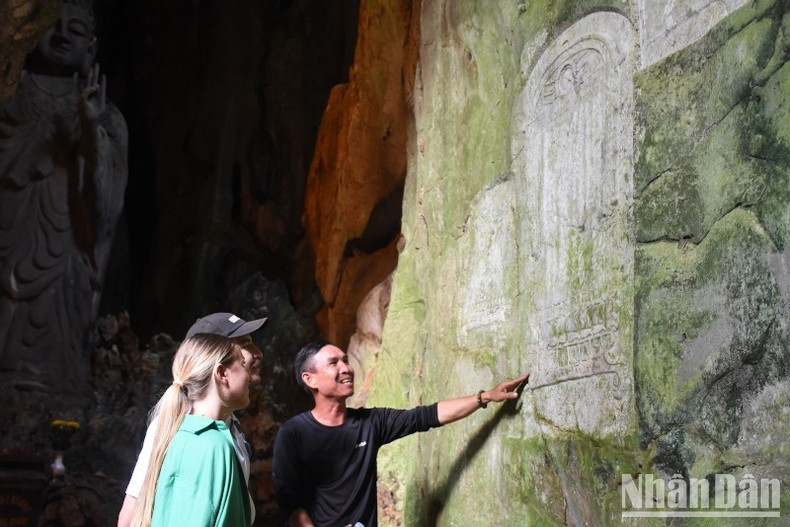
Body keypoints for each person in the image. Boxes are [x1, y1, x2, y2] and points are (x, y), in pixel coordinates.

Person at [0, 0, 128, 391]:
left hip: (67, 247)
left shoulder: (106, 115)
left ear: (90, 47)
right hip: (8, 236)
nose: (59, 36)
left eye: (74, 31)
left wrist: (91, 134)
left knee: (56, 329)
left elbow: (106, 205)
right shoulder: (9, 97)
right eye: (51, 27)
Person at [273, 340, 530, 527]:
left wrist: (485, 396)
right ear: (311, 379)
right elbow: (290, 503)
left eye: (346, 360)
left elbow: (428, 416)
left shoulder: (370, 423)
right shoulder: (293, 433)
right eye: (333, 363)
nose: (346, 368)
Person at [118, 312, 266, 527]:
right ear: (216, 363)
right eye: (244, 346)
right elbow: (132, 514)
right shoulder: (175, 426)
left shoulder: (230, 427)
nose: (258, 353)